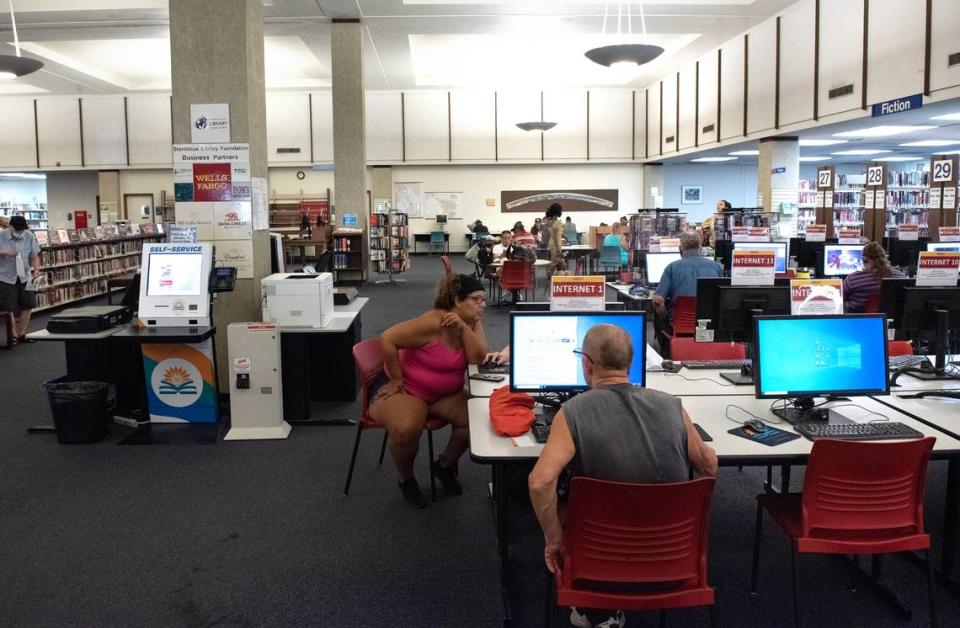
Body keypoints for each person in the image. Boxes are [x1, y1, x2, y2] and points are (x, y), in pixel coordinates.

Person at [528, 324, 718, 628]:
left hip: (600, 558)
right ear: (630, 364)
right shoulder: (673, 406)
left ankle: (595, 608)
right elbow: (708, 466)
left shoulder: (573, 411)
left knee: (563, 500)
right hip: (674, 556)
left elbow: (540, 482)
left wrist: (554, 540)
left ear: (587, 364)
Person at [370, 274, 489, 507]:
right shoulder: (434, 322)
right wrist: (396, 379)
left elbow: (479, 359)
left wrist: (464, 328)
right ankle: (407, 480)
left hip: (443, 394)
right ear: (456, 300)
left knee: (478, 419)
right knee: (406, 429)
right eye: (476, 299)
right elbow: (388, 338)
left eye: (483, 300)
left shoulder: (471, 321)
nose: (482, 305)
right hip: (408, 389)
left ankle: (444, 466)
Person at [652, 231, 724, 357]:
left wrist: (664, 316)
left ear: (680, 249)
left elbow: (658, 301)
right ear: (701, 247)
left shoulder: (672, 268)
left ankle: (666, 354)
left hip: (680, 324)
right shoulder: (716, 267)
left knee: (656, 313)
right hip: (710, 324)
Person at [0, 215, 41, 344]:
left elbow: (34, 256)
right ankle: (12, 336)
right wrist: (5, 252)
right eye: (17, 229)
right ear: (10, 226)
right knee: (8, 308)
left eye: (22, 229)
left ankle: (21, 334)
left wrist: (36, 270)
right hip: (6, 277)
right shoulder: (1, 236)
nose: (20, 232)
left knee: (29, 304)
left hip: (25, 276)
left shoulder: (29, 236)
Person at [843, 241, 906, 313]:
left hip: (857, 320)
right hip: (890, 320)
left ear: (864, 260)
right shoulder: (901, 277)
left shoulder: (852, 279)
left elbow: (840, 301)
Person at [543, 203, 565, 273]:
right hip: (556, 245)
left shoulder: (549, 221)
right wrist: (559, 250)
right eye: (561, 210)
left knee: (556, 262)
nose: (562, 211)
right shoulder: (556, 223)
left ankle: (551, 277)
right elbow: (557, 237)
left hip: (551, 243)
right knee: (555, 263)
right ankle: (550, 279)